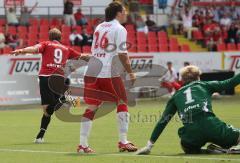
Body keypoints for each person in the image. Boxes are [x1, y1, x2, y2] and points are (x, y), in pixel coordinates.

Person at [137, 65, 240, 155]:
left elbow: (163, 121)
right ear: (198, 77)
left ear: (182, 80)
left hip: (191, 134)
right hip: (212, 126)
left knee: (185, 146)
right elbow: (230, 83)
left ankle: (210, 151)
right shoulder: (204, 85)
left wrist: (149, 145)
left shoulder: (176, 96)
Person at [77, 2, 137, 153]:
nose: (126, 14)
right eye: (124, 11)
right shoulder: (119, 29)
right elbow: (123, 55)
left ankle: (83, 145)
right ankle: (123, 141)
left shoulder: (100, 26)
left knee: (92, 107)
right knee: (122, 101)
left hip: (91, 71)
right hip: (107, 72)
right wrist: (131, 72)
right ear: (118, 13)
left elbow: (96, 50)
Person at [11, 28, 89, 143]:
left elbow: (34, 49)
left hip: (46, 77)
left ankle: (65, 99)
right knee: (50, 109)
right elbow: (82, 56)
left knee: (47, 110)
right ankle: (40, 136)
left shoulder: (46, 44)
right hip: (59, 78)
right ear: (60, 38)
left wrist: (22, 50)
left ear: (49, 37)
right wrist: (98, 57)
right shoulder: (66, 48)